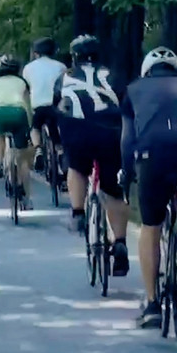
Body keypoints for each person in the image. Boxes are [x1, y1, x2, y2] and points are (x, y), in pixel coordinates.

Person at [120, 45, 177, 330]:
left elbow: (127, 139)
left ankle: (151, 304)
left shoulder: (133, 90)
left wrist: (127, 172)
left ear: (147, 70)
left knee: (150, 227)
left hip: (150, 156)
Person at [53, 34, 130, 276]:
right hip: (110, 133)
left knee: (77, 168)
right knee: (114, 190)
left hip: (78, 132)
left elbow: (57, 107)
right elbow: (127, 108)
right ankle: (120, 243)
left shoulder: (64, 77)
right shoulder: (114, 75)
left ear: (74, 56)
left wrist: (59, 141)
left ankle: (78, 212)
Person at [0, 54, 34, 204]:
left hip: (0, 113)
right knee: (22, 156)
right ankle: (24, 195)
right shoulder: (22, 82)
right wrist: (29, 126)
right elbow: (28, 106)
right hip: (18, 114)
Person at [23, 37, 65, 174]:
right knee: (58, 132)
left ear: (36, 53)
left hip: (38, 106)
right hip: (56, 106)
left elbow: (28, 87)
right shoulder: (61, 67)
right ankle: (60, 152)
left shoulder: (28, 68)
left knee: (35, 127)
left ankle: (38, 148)